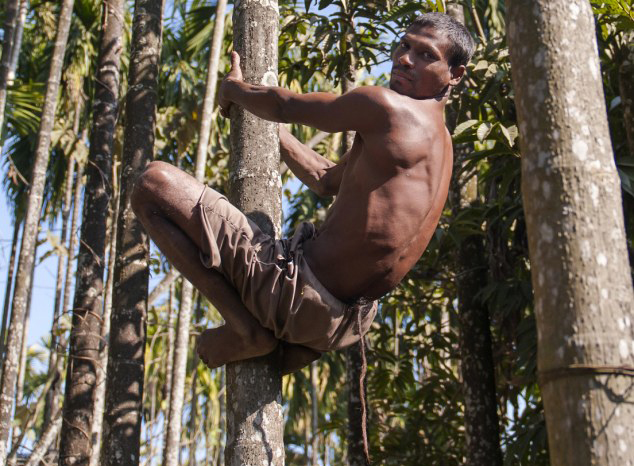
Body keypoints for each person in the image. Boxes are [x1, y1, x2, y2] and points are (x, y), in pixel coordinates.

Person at [131, 12, 475, 373]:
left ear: (455, 74)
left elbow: (284, 106)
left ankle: (247, 330)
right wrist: (270, 134)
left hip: (293, 292)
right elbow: (324, 178)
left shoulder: (387, 107)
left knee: (151, 184)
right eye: (404, 46)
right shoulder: (439, 145)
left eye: (426, 55)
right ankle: (283, 338)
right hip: (340, 326)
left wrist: (234, 90)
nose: (405, 58)